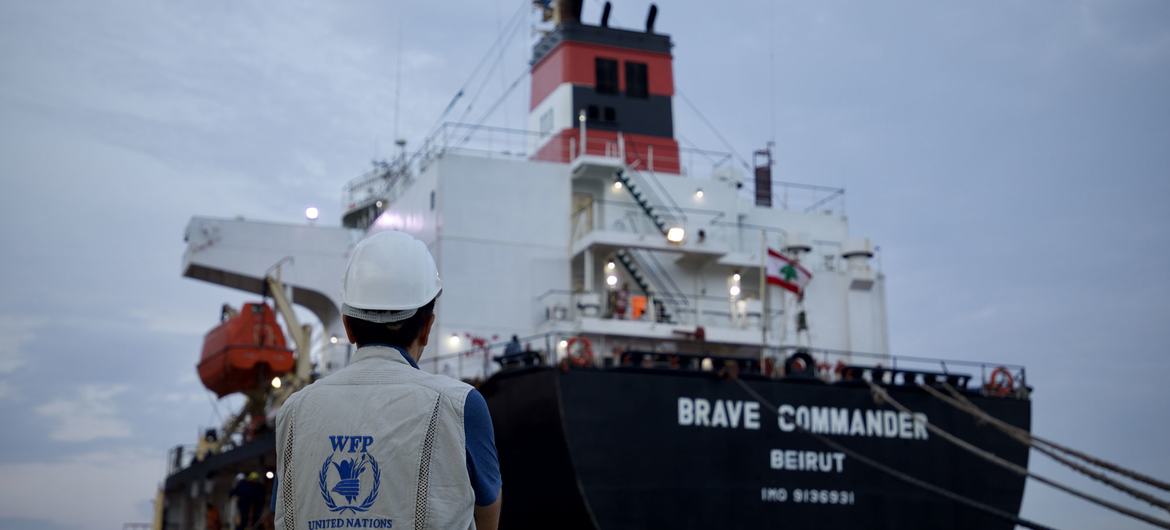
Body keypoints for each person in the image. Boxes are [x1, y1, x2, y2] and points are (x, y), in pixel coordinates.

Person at [274, 231, 501, 530]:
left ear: (348, 327)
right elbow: (488, 515)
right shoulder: (461, 406)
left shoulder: (293, 411)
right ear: (427, 328)